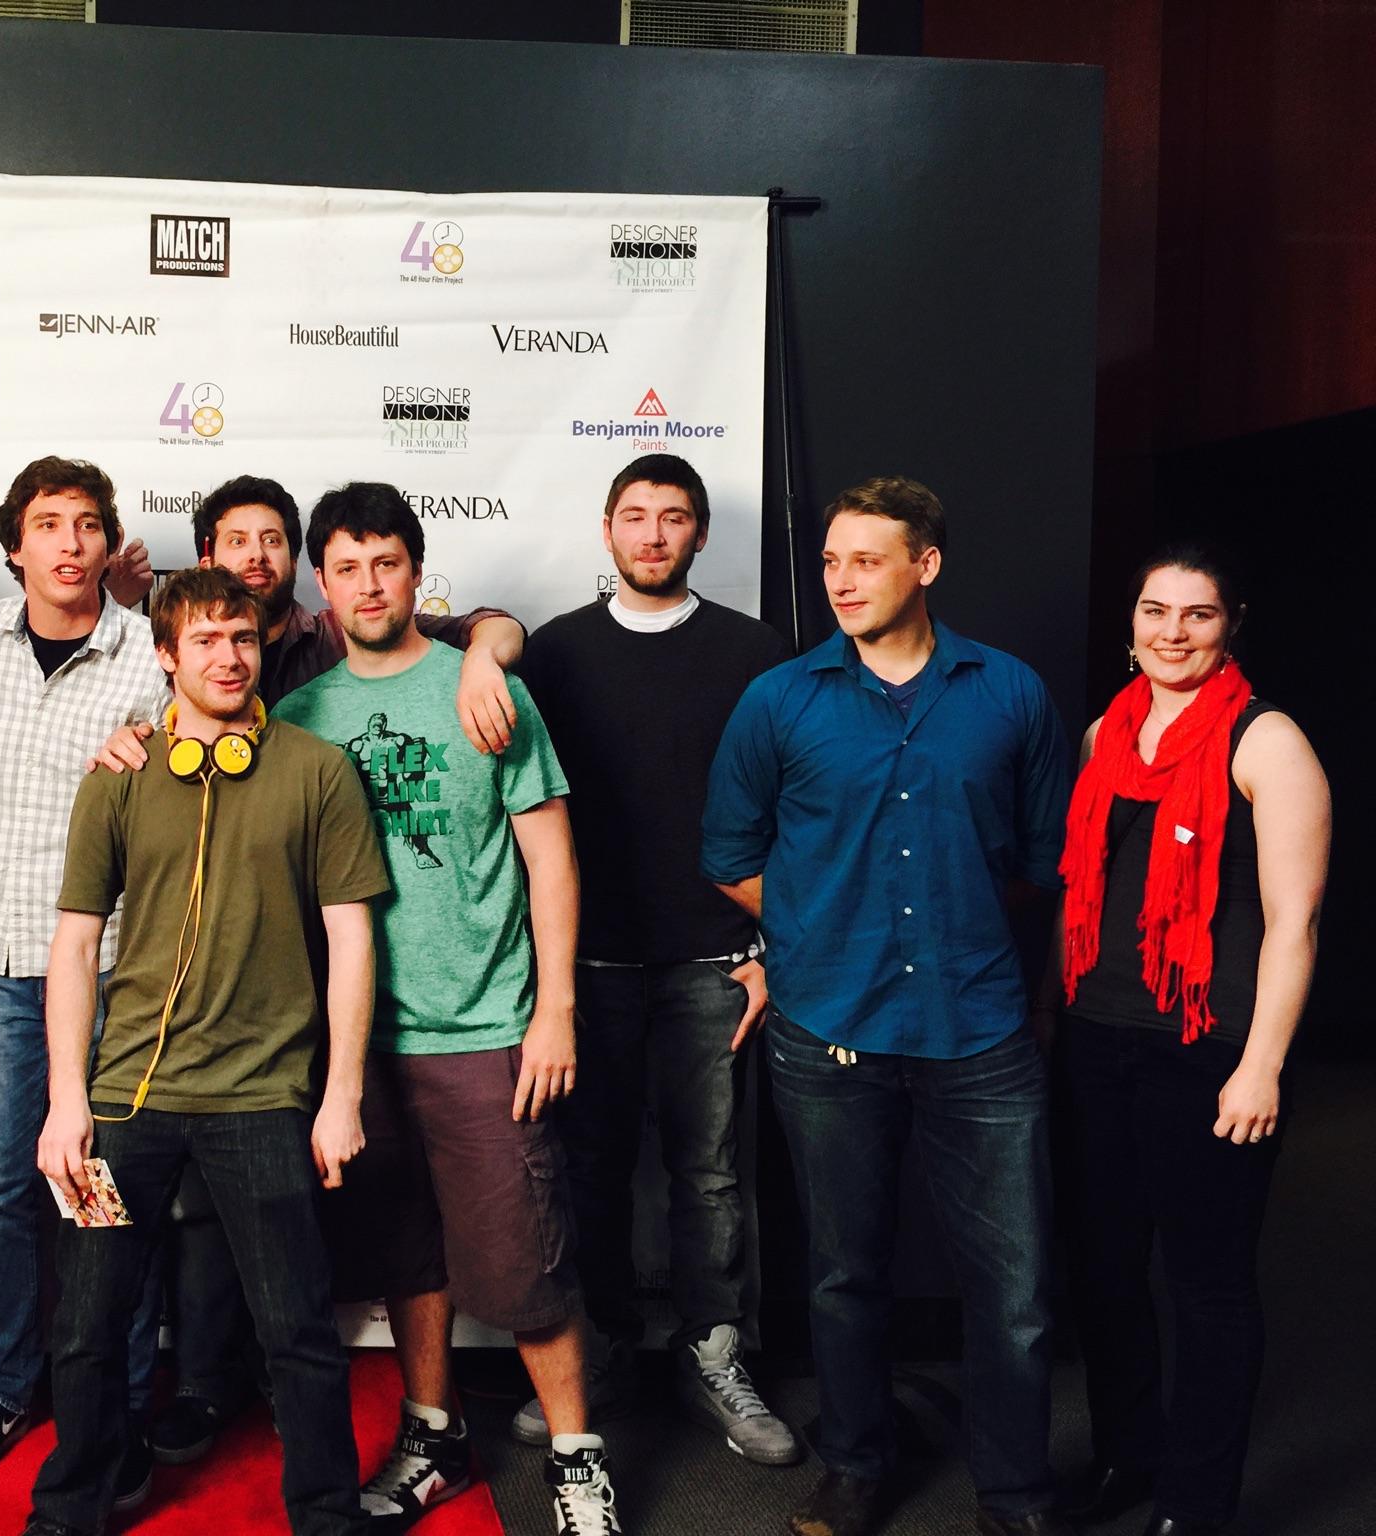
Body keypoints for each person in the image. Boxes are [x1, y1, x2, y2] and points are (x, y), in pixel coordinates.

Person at [95, 472, 530, 1467]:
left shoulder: (340, 630)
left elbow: (488, 621)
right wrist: (132, 740)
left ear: (300, 565)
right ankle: (197, 1386)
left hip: (338, 976)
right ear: (204, 557)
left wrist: (483, 656)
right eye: (234, 541)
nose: (253, 558)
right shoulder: (195, 632)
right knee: (197, 1209)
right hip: (227, 970)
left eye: (271, 541)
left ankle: (267, 1396)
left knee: (291, 1212)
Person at [701, 476, 1074, 1536]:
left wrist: (1024, 983)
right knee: (841, 1276)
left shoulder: (1008, 695)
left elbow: (1044, 865)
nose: (841, 580)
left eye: (865, 559)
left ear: (926, 565)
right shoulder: (780, 701)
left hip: (981, 1030)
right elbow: (727, 852)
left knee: (1013, 1292)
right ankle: (856, 1467)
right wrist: (820, 921)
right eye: (829, 561)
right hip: (828, 1033)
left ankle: (1015, 1495)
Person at [277, 483, 622, 1536]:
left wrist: (553, 1010)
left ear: (417, 574)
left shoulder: (481, 690)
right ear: (321, 586)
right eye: (345, 567)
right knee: (406, 1255)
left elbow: (550, 858)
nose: (367, 584)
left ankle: (575, 1459)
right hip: (357, 1050)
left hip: (482, 1030)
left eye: (386, 563)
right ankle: (431, 1431)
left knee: (522, 1265)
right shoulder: (296, 717)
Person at [21, 565, 390, 1536]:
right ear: (164, 656)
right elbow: (74, 942)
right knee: (87, 1328)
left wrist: (339, 1094)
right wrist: (68, 1098)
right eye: (205, 641)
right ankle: (68, 1513)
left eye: (243, 638)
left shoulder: (316, 770)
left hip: (265, 1097)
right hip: (127, 1100)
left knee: (297, 1333)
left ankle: (325, 1517)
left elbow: (351, 935)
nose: (228, 657)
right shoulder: (119, 777)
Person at [513, 453, 798, 1462]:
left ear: (699, 536)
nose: (650, 535)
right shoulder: (553, 653)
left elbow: (795, 808)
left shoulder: (756, 655)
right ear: (604, 531)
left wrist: (775, 945)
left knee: (710, 1174)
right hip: (585, 966)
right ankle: (599, 1348)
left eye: (671, 518)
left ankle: (712, 1351)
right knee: (586, 1169)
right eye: (632, 517)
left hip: (710, 962)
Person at [1045, 547, 1328, 1536]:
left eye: (1195, 615)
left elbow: (1291, 923)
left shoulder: (1266, 740)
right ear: (1129, 623)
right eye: (1153, 611)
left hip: (1204, 1051)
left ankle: (1194, 1505)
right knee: (1103, 1271)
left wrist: (1260, 1067)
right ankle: (1130, 1454)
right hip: (1091, 1040)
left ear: (1229, 623)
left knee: (1204, 1286)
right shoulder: (1100, 736)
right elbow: (1079, 896)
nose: (1170, 632)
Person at [0, 457, 172, 1495]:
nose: (68, 543)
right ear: (15, 545)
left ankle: (116, 1398)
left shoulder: (148, 660)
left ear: (107, 543)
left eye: (86, 524)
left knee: (107, 1193)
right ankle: (4, 1388)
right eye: (47, 524)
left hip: (115, 969)